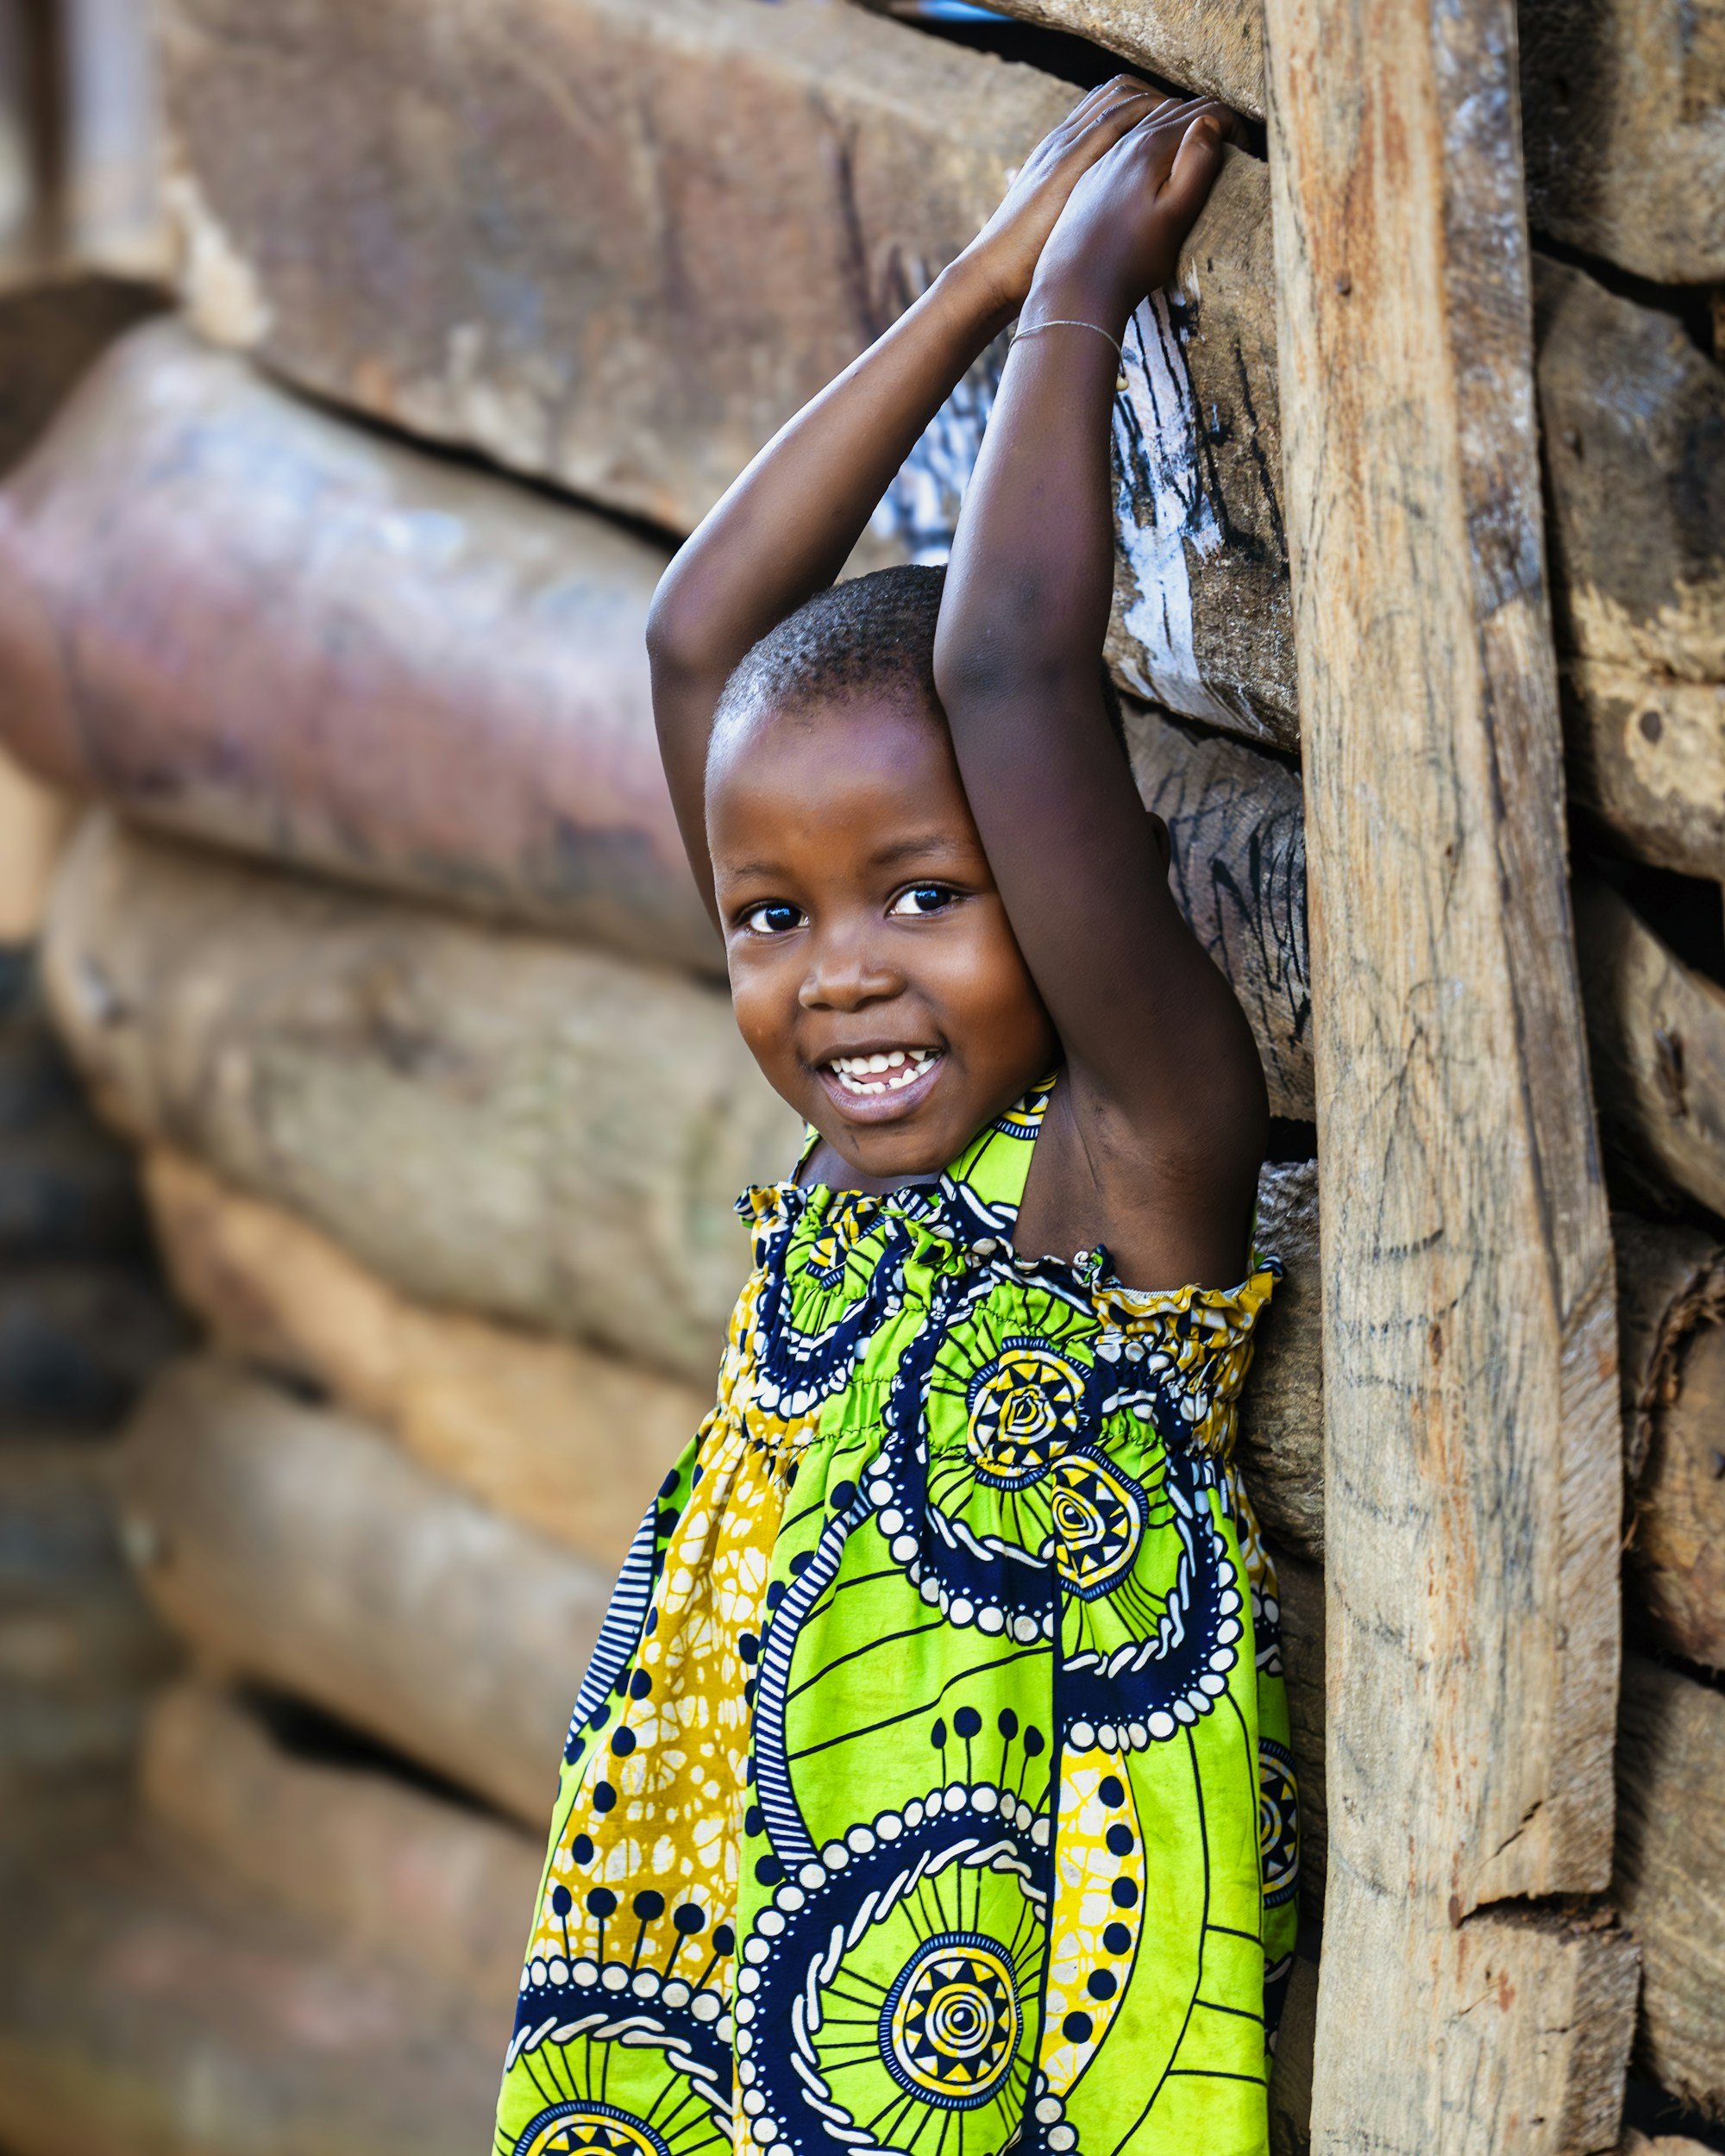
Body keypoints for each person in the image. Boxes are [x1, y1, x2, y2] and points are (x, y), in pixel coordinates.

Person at [493, 79, 1298, 2156]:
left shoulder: (1130, 1151)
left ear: (1048, 872)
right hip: (719, 1985)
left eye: (925, 892)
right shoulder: (849, 1168)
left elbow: (1015, 670)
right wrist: (970, 286)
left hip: (991, 2049)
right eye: (772, 912)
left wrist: (1078, 309)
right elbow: (696, 636)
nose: (837, 968)